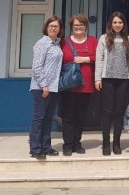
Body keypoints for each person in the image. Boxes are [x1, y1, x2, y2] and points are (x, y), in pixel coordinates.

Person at [59, 14, 98, 156]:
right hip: (68, 85)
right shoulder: (64, 42)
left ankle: (77, 143)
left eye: (81, 25)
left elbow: (99, 57)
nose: (78, 27)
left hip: (86, 85)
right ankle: (67, 144)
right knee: (68, 116)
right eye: (75, 25)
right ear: (71, 27)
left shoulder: (93, 41)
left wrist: (85, 59)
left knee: (81, 116)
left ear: (86, 27)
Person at [95, 11, 129, 156]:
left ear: (124, 24)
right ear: (110, 24)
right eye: (115, 22)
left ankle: (116, 143)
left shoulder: (128, 39)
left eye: (120, 22)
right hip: (107, 79)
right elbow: (99, 59)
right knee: (107, 112)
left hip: (123, 80)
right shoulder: (104, 38)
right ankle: (106, 143)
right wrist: (97, 78)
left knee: (119, 112)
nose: (117, 25)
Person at [29, 16, 64, 160]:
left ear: (60, 29)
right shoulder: (42, 43)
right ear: (46, 27)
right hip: (41, 87)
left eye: (56, 26)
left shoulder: (56, 44)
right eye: (51, 26)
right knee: (39, 118)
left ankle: (46, 147)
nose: (53, 28)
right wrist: (44, 85)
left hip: (54, 87)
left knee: (48, 118)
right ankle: (35, 149)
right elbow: (37, 67)